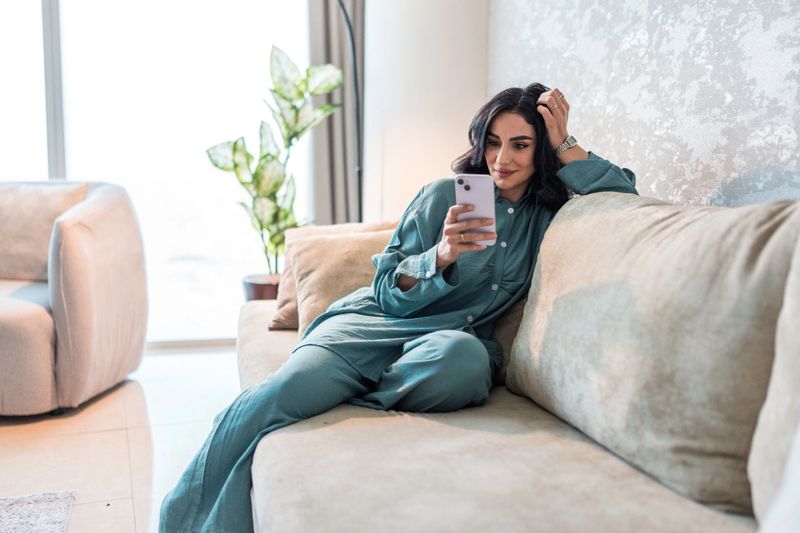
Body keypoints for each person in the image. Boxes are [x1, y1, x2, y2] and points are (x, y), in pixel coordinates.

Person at [159, 82, 638, 532]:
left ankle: (354, 391)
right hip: (372, 329)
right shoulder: (442, 196)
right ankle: (181, 520)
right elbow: (388, 290)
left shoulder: (550, 216)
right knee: (274, 398)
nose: (501, 159)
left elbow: (623, 198)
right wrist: (441, 255)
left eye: (521, 144)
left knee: (466, 361)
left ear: (542, 149)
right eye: (492, 142)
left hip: (441, 347)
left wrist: (564, 141)